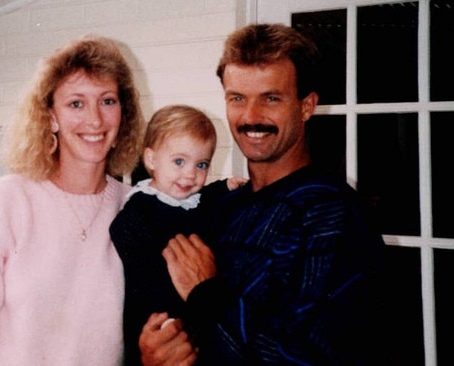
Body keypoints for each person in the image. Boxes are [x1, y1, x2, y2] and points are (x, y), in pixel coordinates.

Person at [138, 23, 386, 365]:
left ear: (306, 106)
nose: (251, 117)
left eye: (271, 98)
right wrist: (160, 353)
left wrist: (206, 294)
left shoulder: (332, 215)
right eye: (237, 98)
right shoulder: (221, 207)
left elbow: (306, 355)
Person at [0, 35, 144, 366]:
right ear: (51, 116)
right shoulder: (6, 202)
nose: (95, 120)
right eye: (76, 103)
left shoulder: (137, 210)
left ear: (123, 112)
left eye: (108, 101)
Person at [109, 104, 246, 365]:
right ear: (151, 160)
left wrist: (226, 186)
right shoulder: (140, 208)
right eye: (179, 161)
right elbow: (123, 234)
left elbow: (206, 196)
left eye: (201, 164)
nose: (190, 174)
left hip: (191, 311)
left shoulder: (191, 200)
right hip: (154, 316)